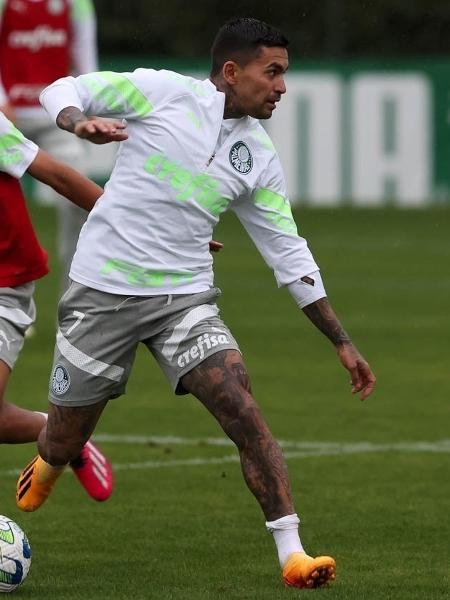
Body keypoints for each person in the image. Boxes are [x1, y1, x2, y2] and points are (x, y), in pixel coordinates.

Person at [16, 18, 376, 589]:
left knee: (243, 410)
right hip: (101, 291)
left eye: (285, 73)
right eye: (272, 72)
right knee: (65, 433)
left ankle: (293, 554)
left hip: (184, 299)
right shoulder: (163, 93)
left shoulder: (257, 157)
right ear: (232, 72)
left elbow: (288, 252)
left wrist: (341, 340)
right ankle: (54, 459)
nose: (281, 86)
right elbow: (63, 89)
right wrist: (76, 122)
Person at [0, 110, 113, 501]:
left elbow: (56, 174)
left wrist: (132, 223)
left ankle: (63, 433)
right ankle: (61, 430)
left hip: (5, 283)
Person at [0, 0, 98, 291]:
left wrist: (89, 102)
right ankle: (7, 293)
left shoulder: (77, 3)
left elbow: (84, 52)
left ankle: (75, 302)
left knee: (79, 201)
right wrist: (1, 101)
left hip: (57, 115)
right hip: (8, 115)